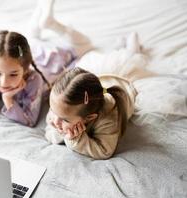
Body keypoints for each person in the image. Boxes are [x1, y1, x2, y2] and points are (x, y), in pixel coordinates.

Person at [41, 0, 156, 159]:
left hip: (124, 82)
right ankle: (120, 47)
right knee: (113, 57)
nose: (54, 121)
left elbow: (104, 151)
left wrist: (76, 139)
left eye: (63, 120)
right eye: (53, 111)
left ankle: (133, 48)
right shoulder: (60, 107)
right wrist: (63, 132)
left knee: (132, 59)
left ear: (89, 118)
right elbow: (50, 133)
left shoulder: (108, 118)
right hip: (101, 80)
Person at [0, 0, 79, 127]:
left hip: (51, 62)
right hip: (26, 56)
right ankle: (42, 17)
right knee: (33, 38)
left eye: (13, 75)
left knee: (82, 46)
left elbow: (30, 120)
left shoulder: (34, 81)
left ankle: (52, 24)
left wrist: (8, 99)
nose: (4, 82)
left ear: (26, 70)